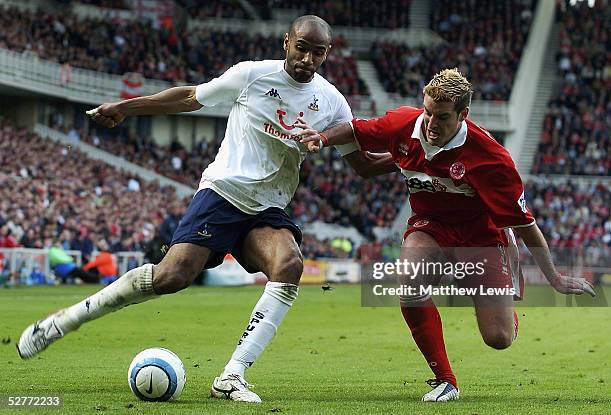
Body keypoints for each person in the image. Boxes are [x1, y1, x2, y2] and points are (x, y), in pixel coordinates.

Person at [17, 15, 396, 403]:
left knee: (290, 265)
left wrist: (411, 157)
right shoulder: (251, 75)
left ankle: (232, 375)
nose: (308, 59)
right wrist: (127, 108)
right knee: (171, 277)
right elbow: (189, 97)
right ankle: (63, 322)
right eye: (302, 48)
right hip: (223, 192)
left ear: (327, 53)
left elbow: (362, 164)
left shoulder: (332, 102)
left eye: (318, 52)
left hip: (267, 208)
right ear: (286, 42)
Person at [298, 68, 596, 402]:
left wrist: (554, 278)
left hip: (481, 235)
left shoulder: (492, 159)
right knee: (409, 282)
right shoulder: (403, 125)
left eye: (441, 117)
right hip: (430, 224)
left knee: (498, 338)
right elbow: (354, 130)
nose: (430, 123)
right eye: (427, 112)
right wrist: (322, 138)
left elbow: (526, 224)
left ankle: (500, 298)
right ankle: (445, 380)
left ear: (463, 115)